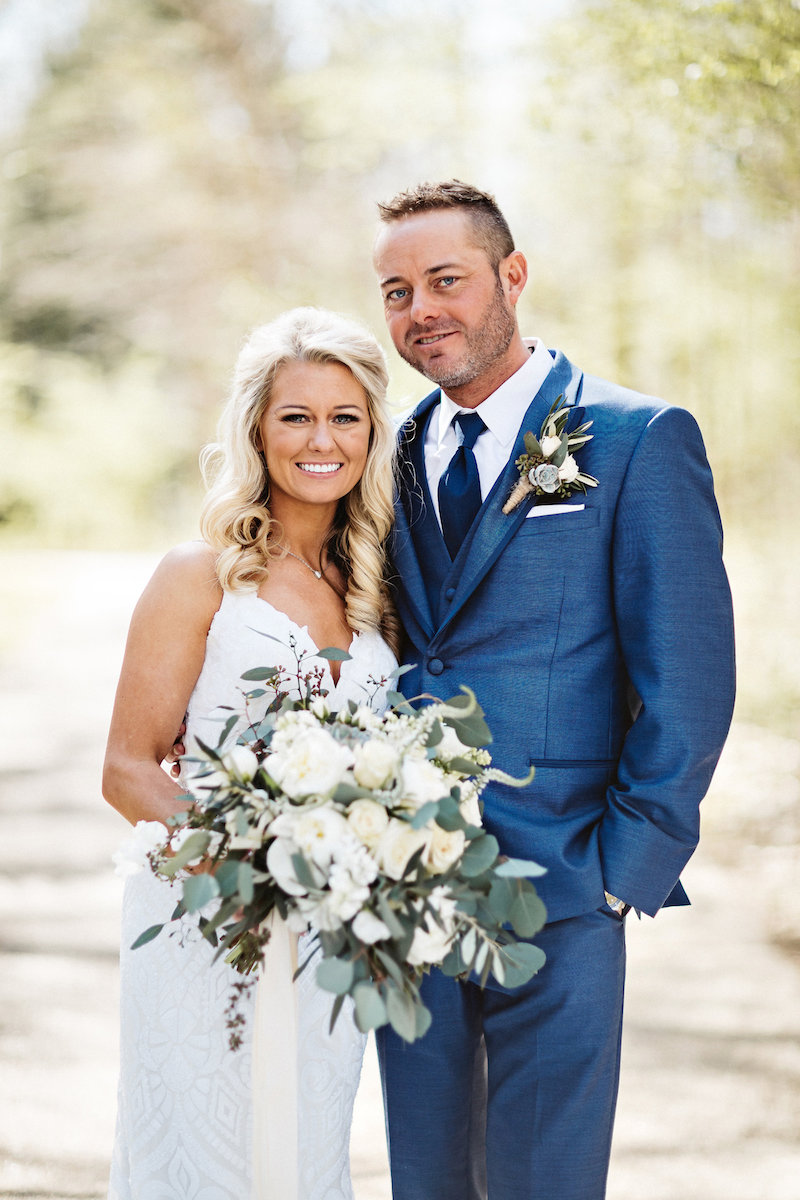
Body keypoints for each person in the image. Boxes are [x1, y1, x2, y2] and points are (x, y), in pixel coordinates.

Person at [371, 180, 736, 1200]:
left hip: (565, 881)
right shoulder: (389, 451)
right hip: (406, 887)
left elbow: (690, 673)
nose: (420, 310)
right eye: (396, 292)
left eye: (444, 280)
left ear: (511, 276)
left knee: (545, 1182)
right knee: (427, 1179)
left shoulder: (631, 438)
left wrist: (623, 868)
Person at [102, 307, 399, 1200]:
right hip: (209, 918)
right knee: (211, 1158)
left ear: (371, 434)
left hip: (334, 934)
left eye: (345, 418)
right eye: (295, 416)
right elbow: (126, 767)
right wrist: (259, 864)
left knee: (304, 1153)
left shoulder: (381, 588)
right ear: (257, 430)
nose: (322, 440)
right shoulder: (197, 575)